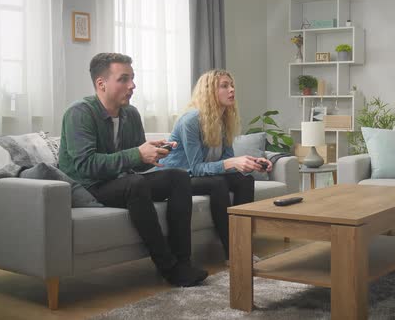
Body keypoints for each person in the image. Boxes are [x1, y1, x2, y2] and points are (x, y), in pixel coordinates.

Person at [58, 53, 207, 287]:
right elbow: (85, 166)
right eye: (124, 79)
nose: (132, 86)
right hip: (88, 187)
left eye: (133, 79)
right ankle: (168, 268)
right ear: (101, 83)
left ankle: (183, 262)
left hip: (120, 182)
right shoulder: (80, 113)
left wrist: (153, 153)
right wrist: (137, 154)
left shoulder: (131, 113)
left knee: (177, 177)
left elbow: (135, 161)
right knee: (135, 184)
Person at [158, 69, 272, 260]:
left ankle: (243, 244)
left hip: (204, 176)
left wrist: (251, 162)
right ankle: (234, 252)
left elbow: (226, 161)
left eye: (232, 85)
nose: (232, 90)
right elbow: (195, 168)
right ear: (209, 91)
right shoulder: (191, 120)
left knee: (244, 180)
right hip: (180, 177)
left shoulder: (224, 121)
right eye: (224, 86)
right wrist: (230, 163)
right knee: (218, 183)